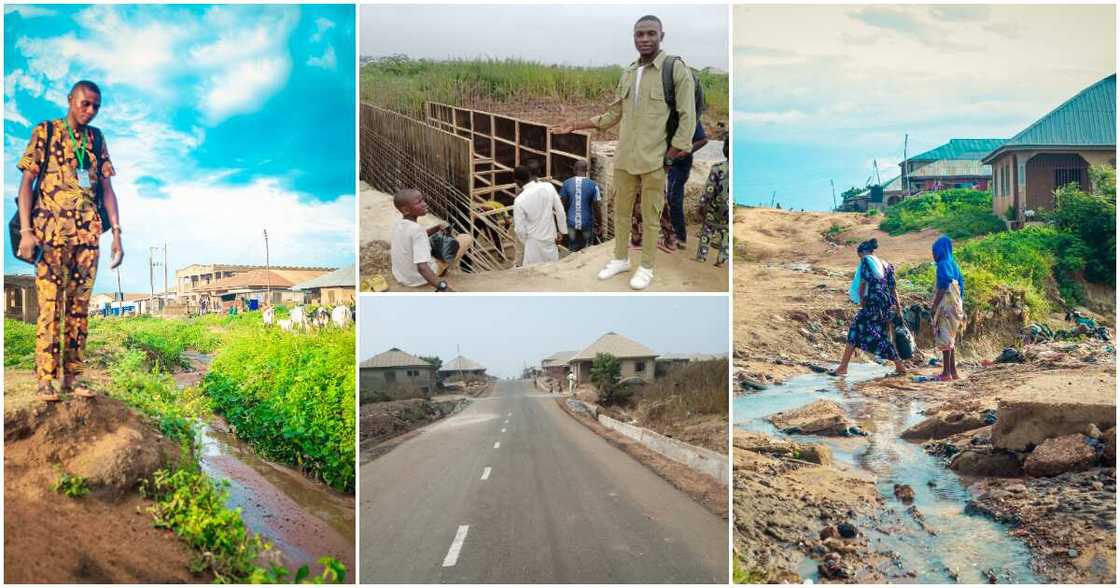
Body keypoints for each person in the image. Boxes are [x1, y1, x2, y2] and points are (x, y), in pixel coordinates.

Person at [556, 14, 697, 290]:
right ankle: (620, 258)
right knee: (621, 212)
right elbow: (613, 114)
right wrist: (577, 124)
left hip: (654, 159)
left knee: (651, 214)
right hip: (624, 158)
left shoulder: (674, 69)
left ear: (661, 36)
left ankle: (646, 266)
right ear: (634, 37)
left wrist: (670, 156)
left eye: (650, 34)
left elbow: (687, 117)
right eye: (639, 34)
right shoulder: (629, 72)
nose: (644, 39)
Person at [17, 80, 123, 403]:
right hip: (49, 238)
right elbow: (25, 186)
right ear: (70, 100)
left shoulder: (96, 139)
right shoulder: (45, 132)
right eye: (84, 103)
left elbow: (106, 189)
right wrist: (26, 231)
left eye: (96, 106)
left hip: (87, 239)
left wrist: (116, 232)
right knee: (50, 307)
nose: (90, 110)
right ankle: (46, 380)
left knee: (78, 309)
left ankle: (72, 378)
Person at [631, 119, 709, 252]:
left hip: (676, 163)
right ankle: (651, 238)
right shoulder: (663, 112)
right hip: (660, 160)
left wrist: (683, 152)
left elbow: (702, 140)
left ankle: (676, 238)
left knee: (670, 200)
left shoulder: (688, 116)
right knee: (650, 198)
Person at [832, 238, 906, 377]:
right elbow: (893, 289)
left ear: (863, 253)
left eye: (859, 256)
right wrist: (898, 308)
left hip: (873, 304)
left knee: (858, 330)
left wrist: (863, 305)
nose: (860, 260)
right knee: (874, 334)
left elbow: (862, 286)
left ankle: (899, 365)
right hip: (887, 305)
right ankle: (843, 367)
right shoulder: (886, 265)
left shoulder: (866, 261)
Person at [390, 188, 473, 292]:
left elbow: (417, 235)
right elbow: (422, 268)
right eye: (419, 202)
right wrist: (443, 287)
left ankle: (442, 269)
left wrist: (437, 228)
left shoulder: (398, 224)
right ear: (406, 210)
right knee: (465, 238)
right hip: (418, 279)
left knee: (431, 245)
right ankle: (441, 272)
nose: (425, 204)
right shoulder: (417, 230)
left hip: (403, 277)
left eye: (423, 200)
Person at [512, 165, 567, 265]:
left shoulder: (519, 200)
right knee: (552, 269)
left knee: (533, 275)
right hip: (550, 238)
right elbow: (560, 211)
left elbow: (519, 229)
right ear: (529, 175)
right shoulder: (548, 186)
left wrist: (527, 242)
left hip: (533, 243)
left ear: (517, 182)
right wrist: (562, 231)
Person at [931, 235, 965, 381]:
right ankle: (953, 371)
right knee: (951, 338)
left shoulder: (942, 264)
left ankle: (946, 373)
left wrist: (934, 305)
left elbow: (943, 285)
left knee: (945, 337)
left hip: (946, 305)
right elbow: (961, 287)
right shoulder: (954, 264)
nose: (933, 255)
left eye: (934, 251)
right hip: (957, 305)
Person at [695, 139, 728, 266]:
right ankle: (721, 259)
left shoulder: (718, 168)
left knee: (707, 229)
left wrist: (702, 205)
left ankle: (701, 257)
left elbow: (709, 189)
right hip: (729, 211)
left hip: (714, 207)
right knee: (727, 233)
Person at [558, 160, 603, 252]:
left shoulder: (566, 183)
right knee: (588, 250)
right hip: (587, 223)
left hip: (571, 223)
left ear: (574, 169)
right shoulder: (593, 185)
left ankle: (573, 264)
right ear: (586, 170)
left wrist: (560, 225)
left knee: (573, 249)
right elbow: (597, 207)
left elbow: (561, 206)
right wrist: (600, 224)